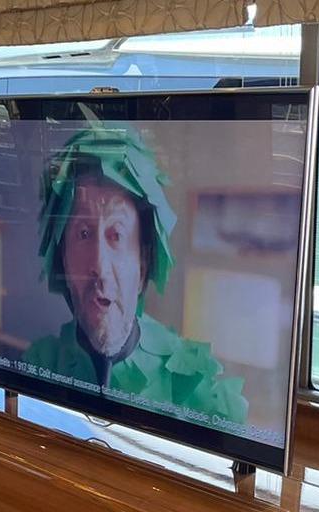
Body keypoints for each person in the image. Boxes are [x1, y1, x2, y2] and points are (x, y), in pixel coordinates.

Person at [23, 123, 248, 425]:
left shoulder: (201, 390)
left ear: (143, 264)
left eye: (116, 235)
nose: (99, 267)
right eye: (84, 233)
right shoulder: (36, 363)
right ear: (62, 257)